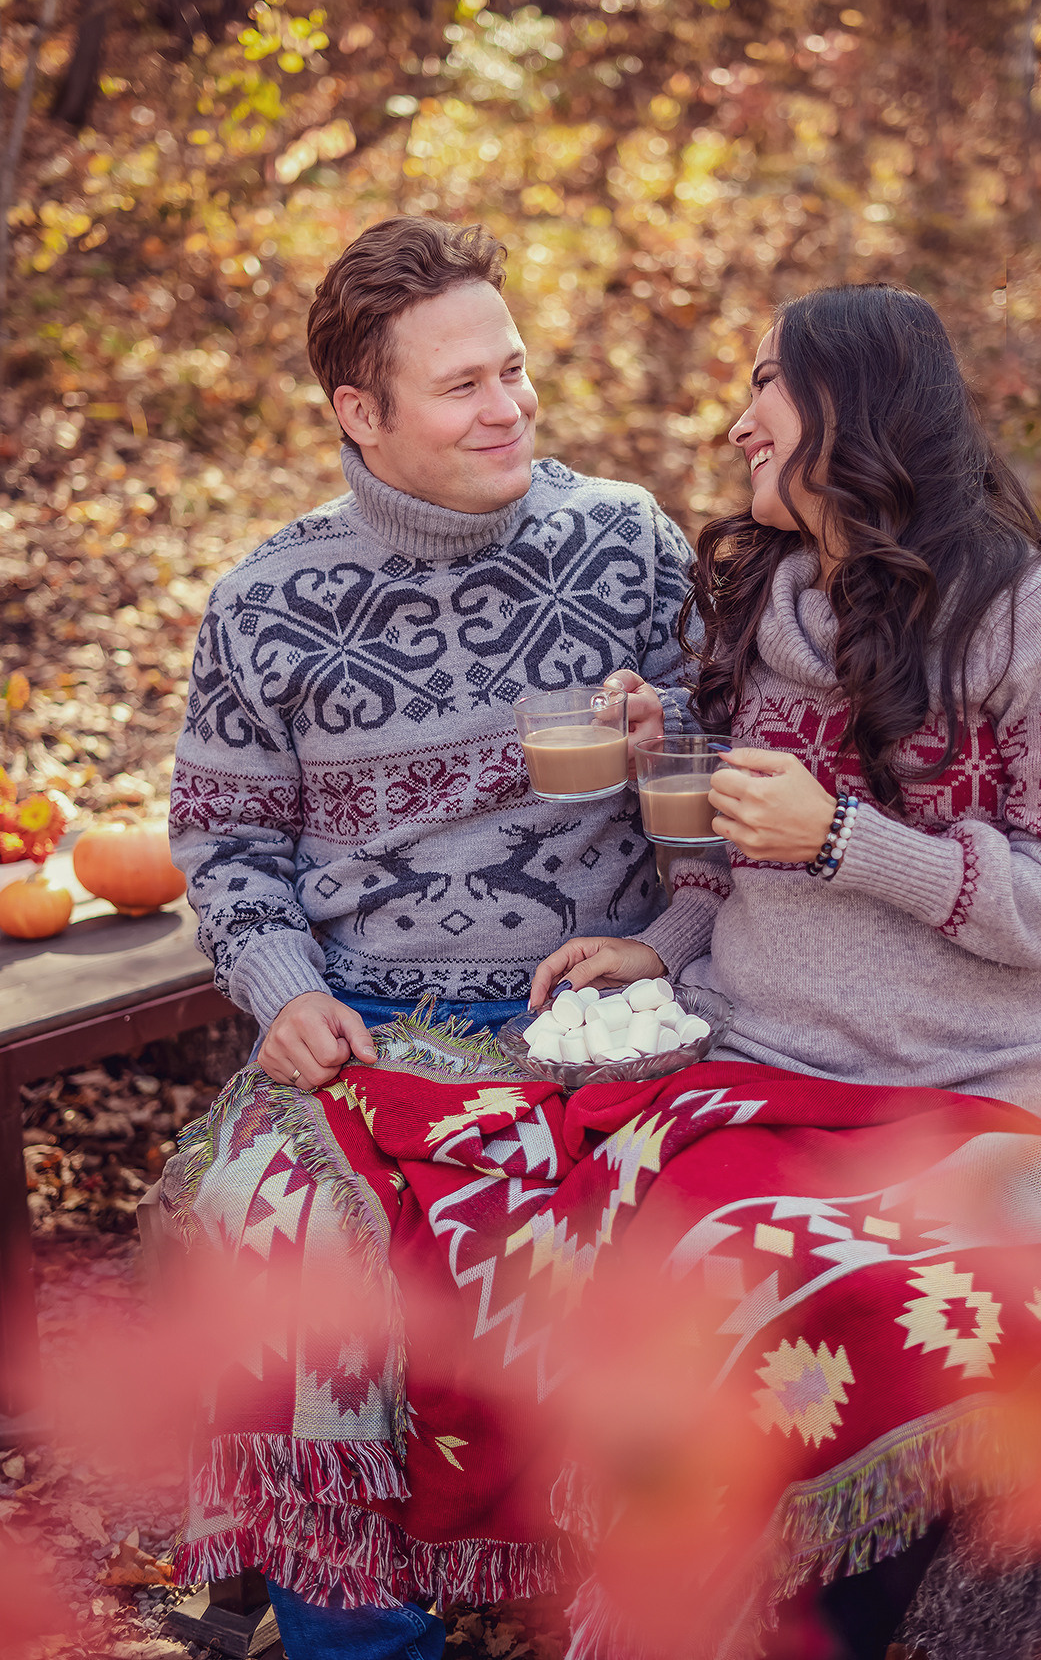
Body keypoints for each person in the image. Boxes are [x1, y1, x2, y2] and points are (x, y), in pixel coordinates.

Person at [168, 214, 697, 1656]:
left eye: (516, 369)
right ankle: (364, 1637)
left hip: (598, 1024)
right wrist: (277, 986)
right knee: (262, 1229)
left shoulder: (627, 543)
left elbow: (715, 809)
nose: (511, 404)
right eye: (464, 383)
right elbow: (223, 841)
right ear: (362, 412)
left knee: (672, 1232)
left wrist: (666, 800)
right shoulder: (267, 601)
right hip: (371, 1021)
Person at [532, 280, 1041, 1143]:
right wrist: (663, 943)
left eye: (766, 382)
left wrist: (844, 840)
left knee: (869, 1276)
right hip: (749, 1066)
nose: (740, 426)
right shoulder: (757, 608)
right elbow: (733, 858)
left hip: (971, 1088)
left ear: (855, 399)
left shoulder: (1037, 614)